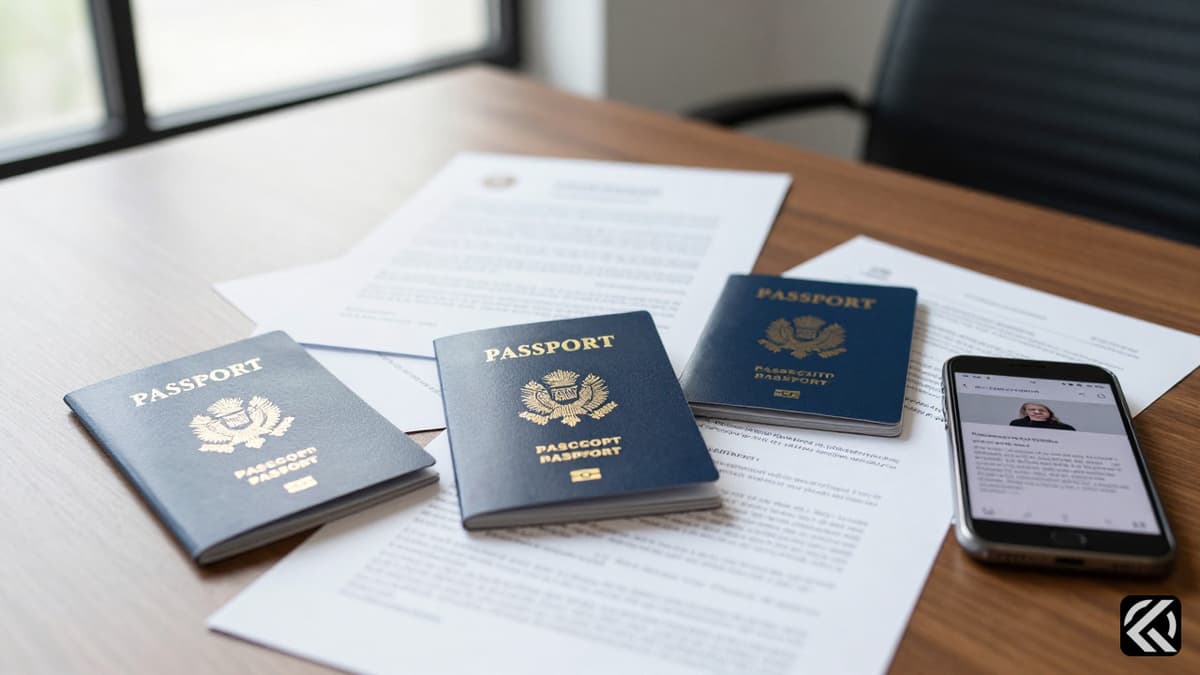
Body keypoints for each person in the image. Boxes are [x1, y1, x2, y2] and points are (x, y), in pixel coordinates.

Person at [1009, 402, 1075, 430]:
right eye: (1032, 409)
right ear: (1025, 412)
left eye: (1042, 410)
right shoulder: (1016, 424)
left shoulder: (1065, 428)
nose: (1037, 412)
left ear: (1049, 412)